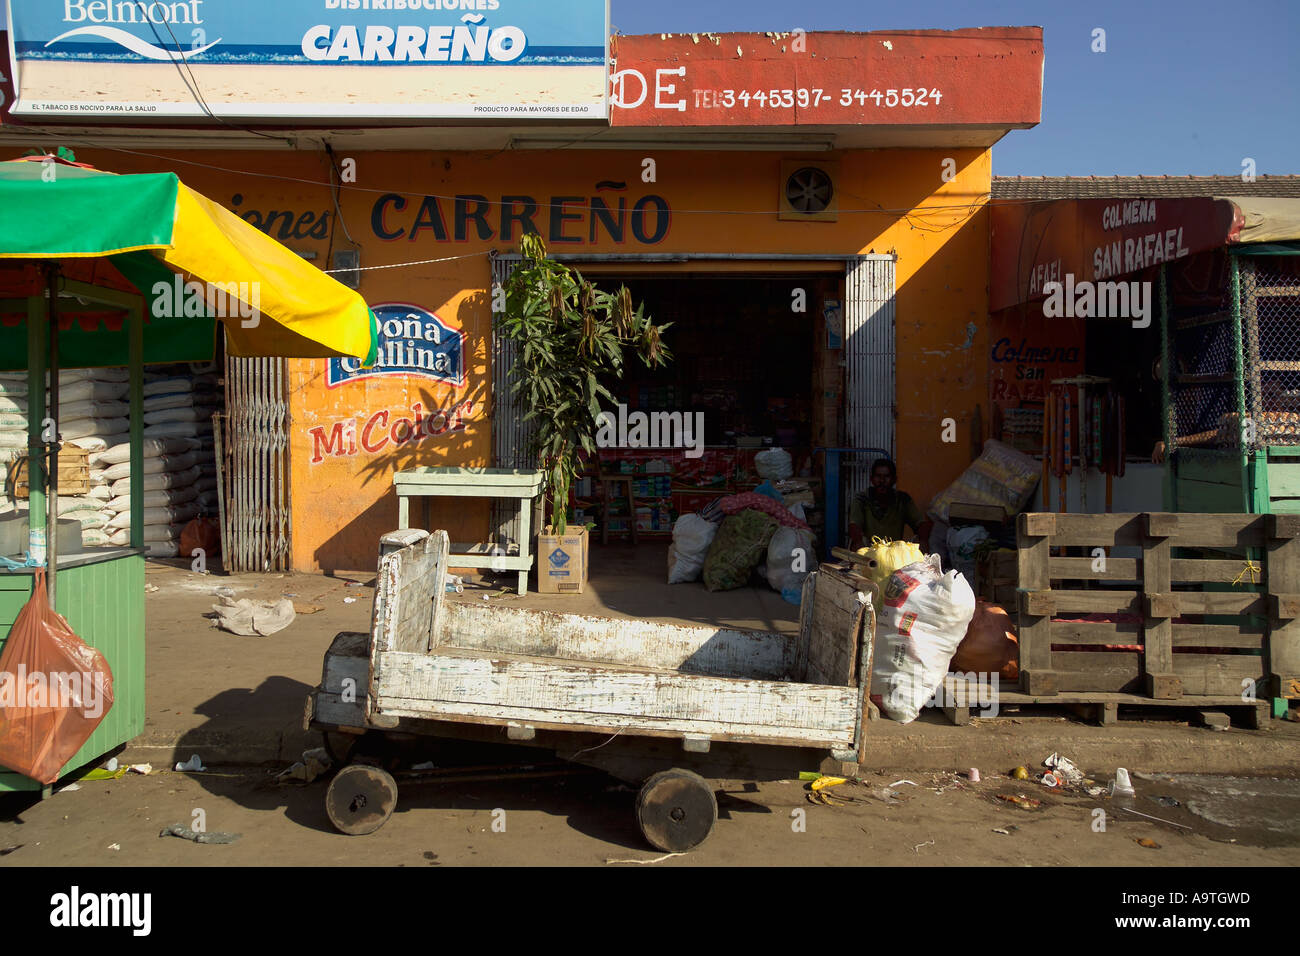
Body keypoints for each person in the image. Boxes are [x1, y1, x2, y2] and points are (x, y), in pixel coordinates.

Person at [848, 458, 933, 550]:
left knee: (920, 540)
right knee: (857, 542)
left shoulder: (902, 499)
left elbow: (920, 524)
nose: (882, 481)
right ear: (871, 479)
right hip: (869, 551)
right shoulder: (861, 499)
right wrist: (858, 540)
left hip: (895, 552)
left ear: (894, 480)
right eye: (878, 476)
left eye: (886, 476)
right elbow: (854, 526)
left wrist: (923, 539)